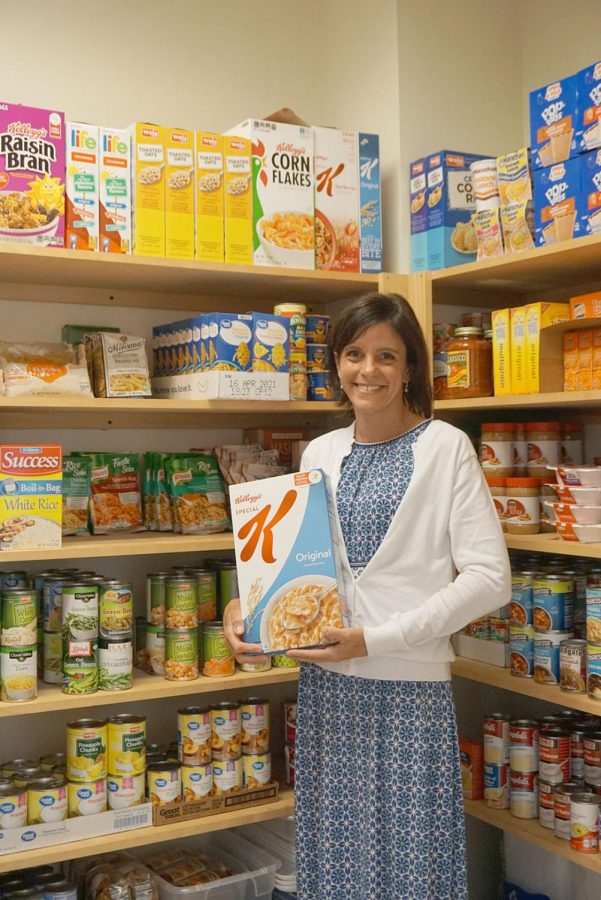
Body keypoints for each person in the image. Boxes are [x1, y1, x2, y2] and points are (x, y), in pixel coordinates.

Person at [224, 292, 511, 900]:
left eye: (387, 355)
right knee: (335, 860)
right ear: (336, 363)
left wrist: (376, 639)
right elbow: (297, 566)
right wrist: (246, 610)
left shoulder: (446, 447)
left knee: (414, 866)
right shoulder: (321, 451)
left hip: (408, 688)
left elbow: (489, 578)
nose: (368, 370)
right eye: (354, 353)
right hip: (328, 688)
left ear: (410, 368)